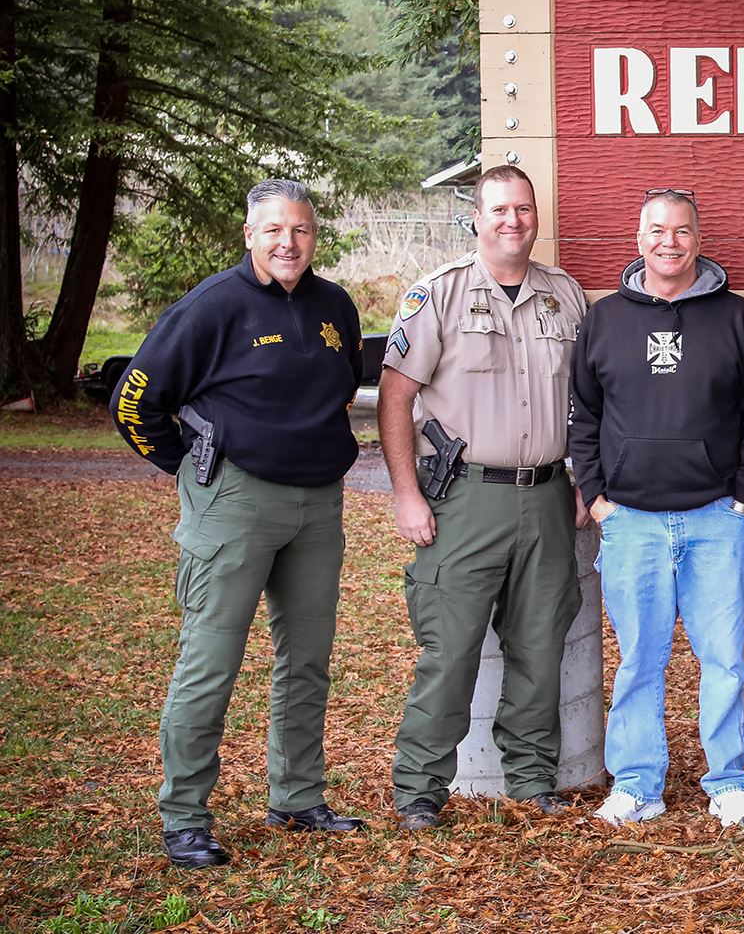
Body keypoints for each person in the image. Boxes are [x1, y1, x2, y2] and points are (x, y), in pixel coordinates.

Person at [113, 180, 366, 868]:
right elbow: (133, 401)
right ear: (249, 234)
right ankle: (186, 816)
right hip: (236, 503)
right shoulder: (211, 307)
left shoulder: (332, 305)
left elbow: (343, 382)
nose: (288, 242)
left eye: (302, 231)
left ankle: (296, 795)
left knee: (306, 659)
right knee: (211, 661)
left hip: (318, 504)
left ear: (315, 238)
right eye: (274, 230)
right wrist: (194, 469)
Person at [379, 164, 590, 830]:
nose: (513, 221)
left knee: (539, 646)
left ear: (536, 216)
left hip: (549, 495)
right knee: (451, 649)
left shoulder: (565, 295)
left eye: (523, 209)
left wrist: (586, 481)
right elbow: (395, 396)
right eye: (499, 210)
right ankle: (419, 788)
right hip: (466, 499)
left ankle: (531, 780)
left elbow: (590, 399)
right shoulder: (437, 294)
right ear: (477, 217)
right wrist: (407, 494)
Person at [569, 187, 744, 828]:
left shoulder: (737, 317)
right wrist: (597, 499)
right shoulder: (604, 319)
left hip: (718, 518)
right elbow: (582, 413)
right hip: (630, 519)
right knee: (640, 660)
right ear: (639, 239)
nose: (669, 241)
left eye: (682, 230)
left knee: (724, 658)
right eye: (657, 230)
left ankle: (728, 781)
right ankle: (637, 783)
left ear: (698, 238)